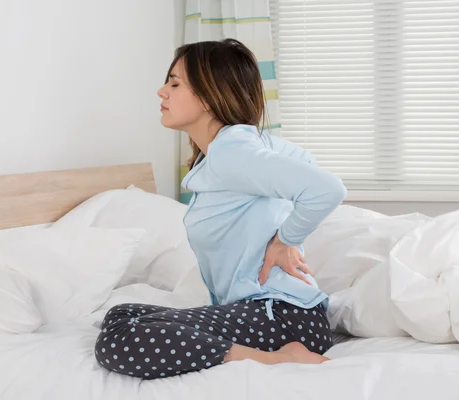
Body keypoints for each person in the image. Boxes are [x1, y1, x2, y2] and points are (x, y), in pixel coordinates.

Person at [94, 39, 347, 379]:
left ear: (210, 94)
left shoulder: (231, 153)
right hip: (279, 316)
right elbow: (304, 162)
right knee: (121, 315)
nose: (161, 92)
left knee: (120, 342)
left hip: (283, 318)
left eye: (174, 83)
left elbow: (326, 188)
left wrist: (284, 240)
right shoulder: (238, 149)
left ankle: (273, 359)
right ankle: (264, 350)